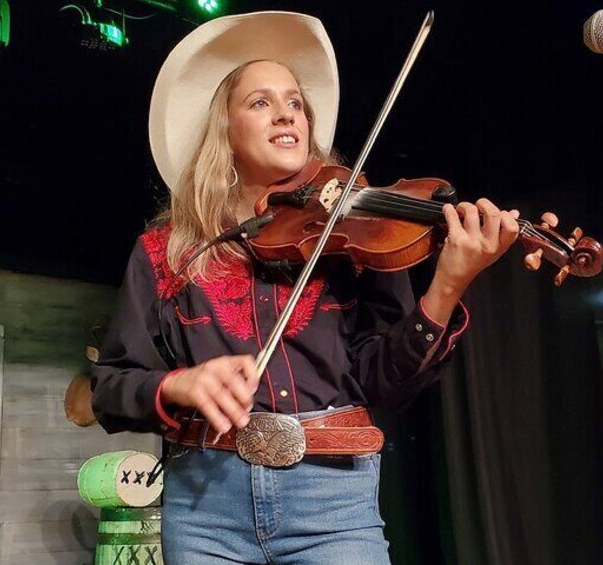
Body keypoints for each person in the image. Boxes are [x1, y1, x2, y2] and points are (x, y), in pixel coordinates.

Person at [90, 11, 521, 564]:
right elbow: (108, 386)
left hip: (333, 505)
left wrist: (447, 285)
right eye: (260, 102)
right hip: (204, 508)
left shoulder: (357, 235)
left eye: (295, 101)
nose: (286, 114)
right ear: (224, 129)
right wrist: (179, 385)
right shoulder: (166, 250)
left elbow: (382, 385)